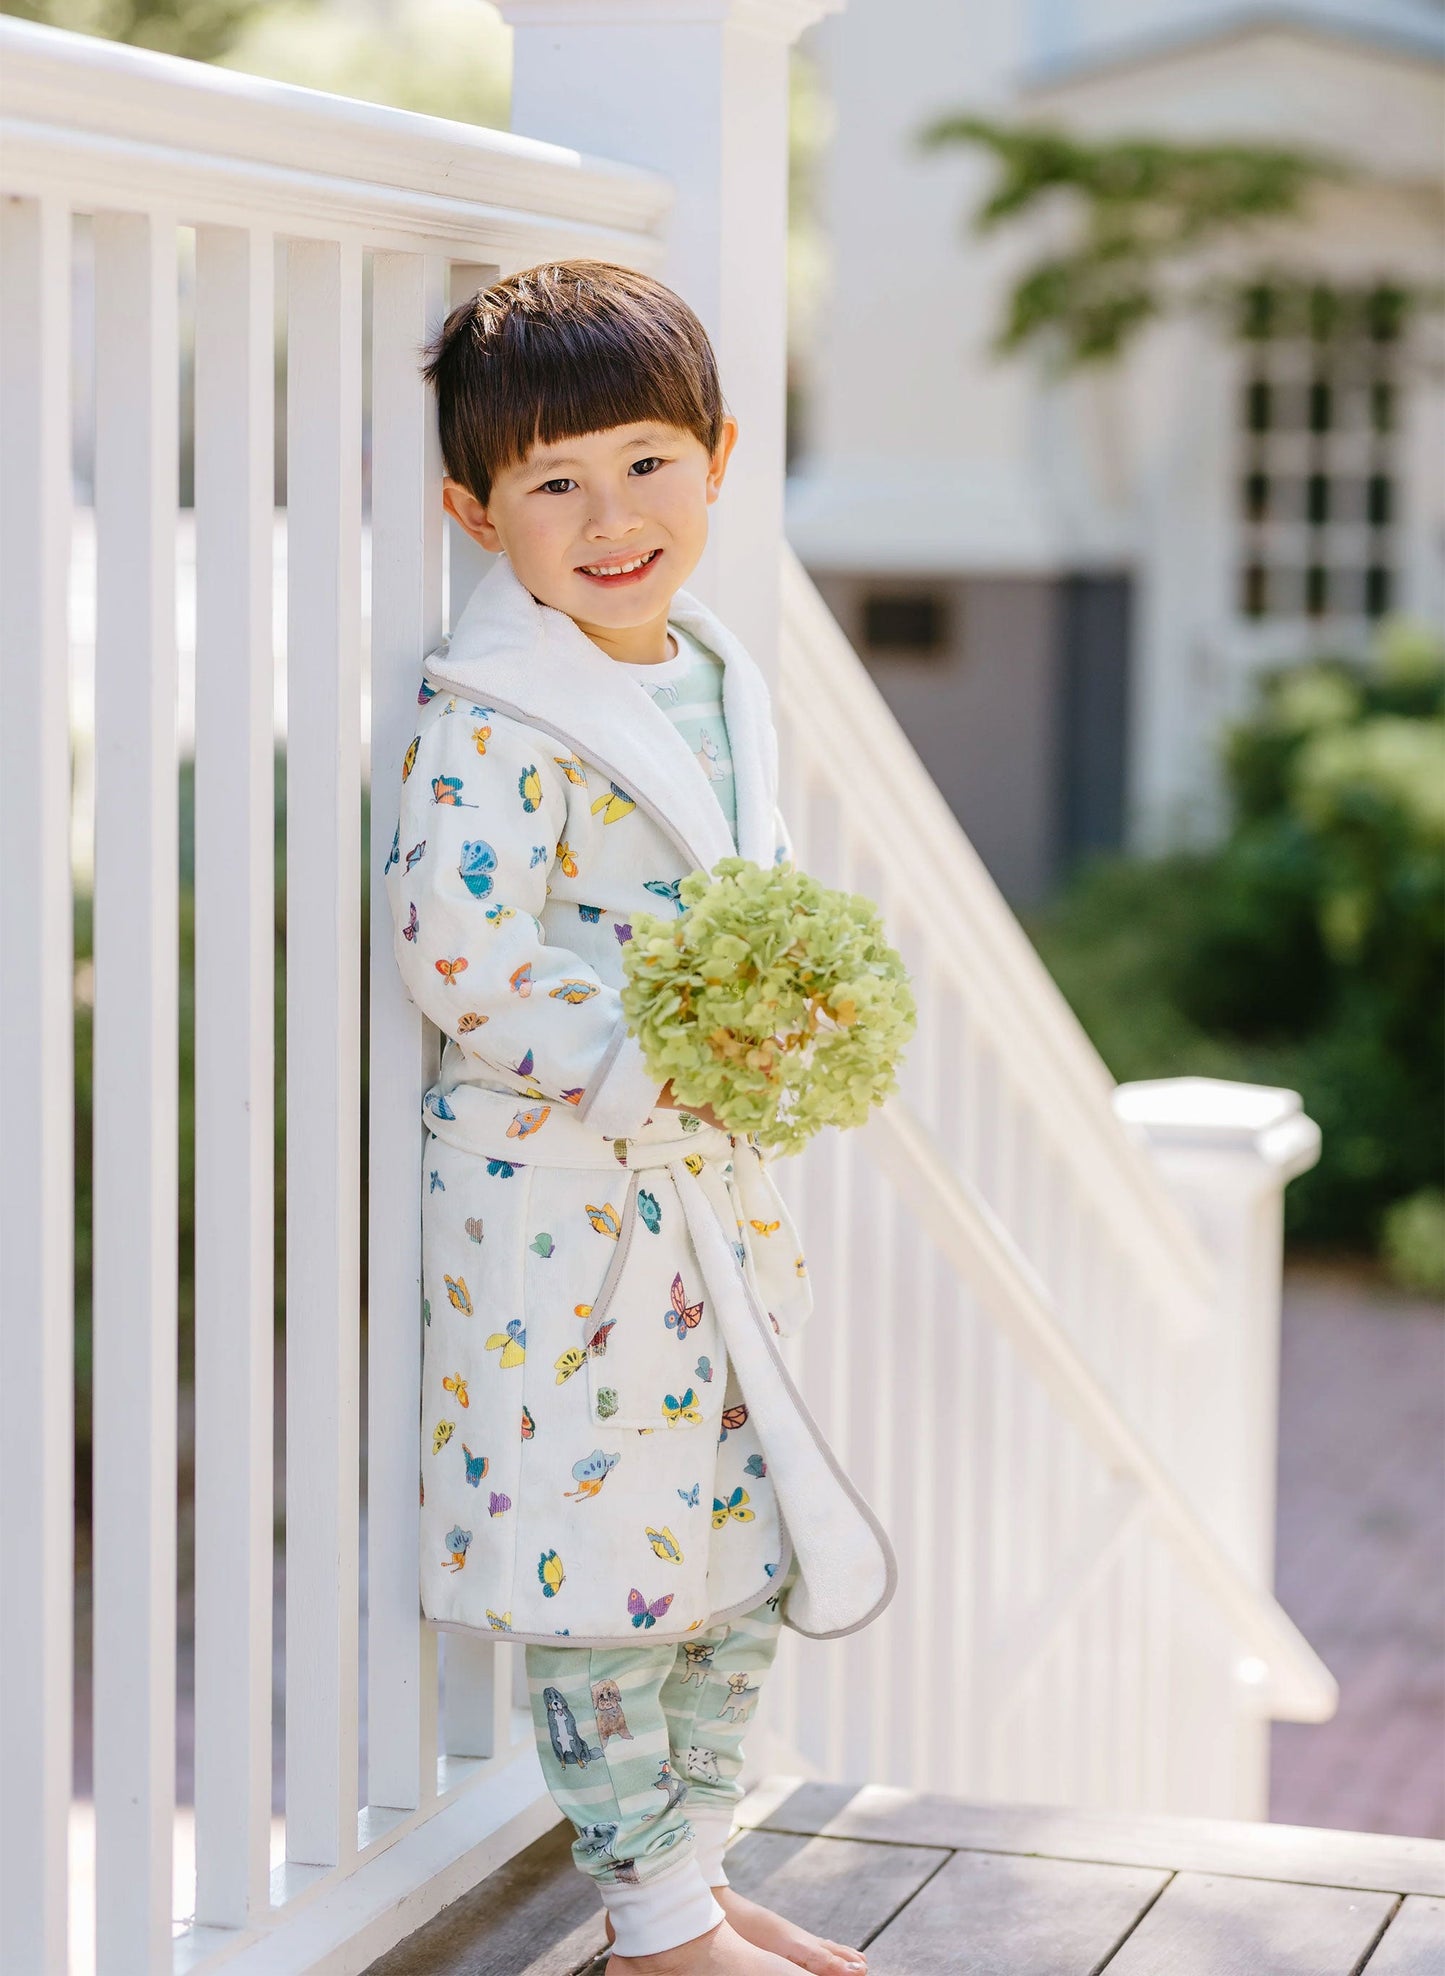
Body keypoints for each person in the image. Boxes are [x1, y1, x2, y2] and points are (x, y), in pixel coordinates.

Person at [386, 259, 894, 1976]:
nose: (611, 517)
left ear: (721, 455)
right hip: (569, 1202)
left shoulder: (720, 670)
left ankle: (691, 1872)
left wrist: (781, 1017)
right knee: (608, 1568)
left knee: (734, 1542)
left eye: (646, 463)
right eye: (552, 483)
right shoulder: (496, 723)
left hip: (717, 1187)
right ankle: (653, 1926)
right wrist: (637, 1062)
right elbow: (457, 953)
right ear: (475, 511)